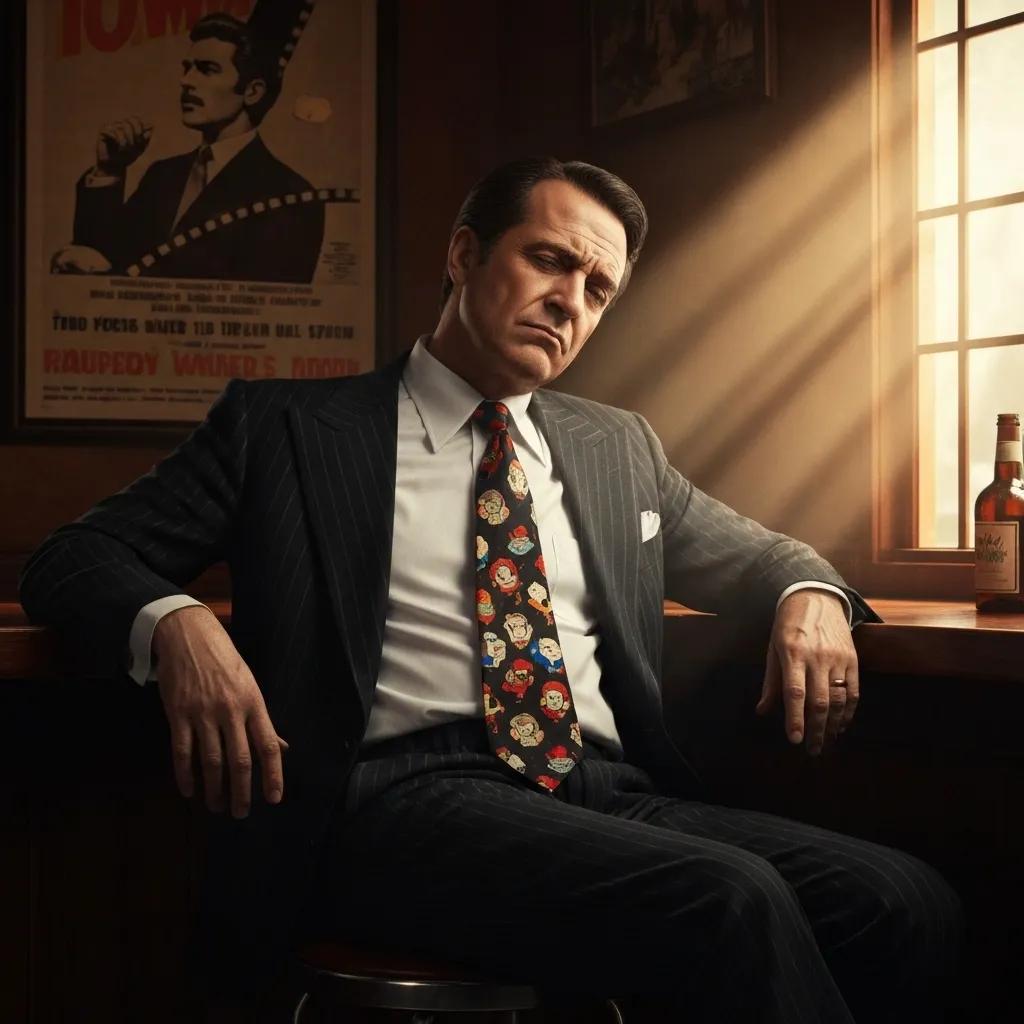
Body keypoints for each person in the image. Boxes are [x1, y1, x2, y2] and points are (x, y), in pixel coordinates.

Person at [21, 157, 963, 1022]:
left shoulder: (616, 446)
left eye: (598, 289)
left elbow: (765, 557)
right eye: (549, 260)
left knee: (902, 900)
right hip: (392, 802)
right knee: (730, 898)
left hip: (600, 792)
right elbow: (75, 555)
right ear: (465, 254)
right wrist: (178, 623)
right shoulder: (285, 427)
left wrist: (812, 594)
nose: (569, 302)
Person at [54, 13, 324, 283]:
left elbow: (258, 299)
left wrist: (117, 276)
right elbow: (93, 263)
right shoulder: (162, 175)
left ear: (252, 92)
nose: (186, 81)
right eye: (187, 68)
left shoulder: (291, 196)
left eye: (207, 69)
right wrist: (109, 170)